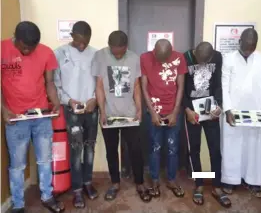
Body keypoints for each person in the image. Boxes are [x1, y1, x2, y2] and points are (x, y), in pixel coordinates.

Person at [1, 21, 65, 213]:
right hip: (15, 118)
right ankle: (18, 204)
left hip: (41, 116)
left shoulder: (46, 52)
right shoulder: (2, 49)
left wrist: (55, 102)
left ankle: (47, 196)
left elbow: (50, 82)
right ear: (16, 38)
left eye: (32, 47)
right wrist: (3, 109)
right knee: (17, 165)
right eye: (24, 47)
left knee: (45, 160)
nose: (28, 50)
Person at [91, 30, 152, 203]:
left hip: (129, 113)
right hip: (109, 114)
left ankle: (140, 183)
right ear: (109, 46)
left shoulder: (133, 58)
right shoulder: (100, 56)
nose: (117, 56)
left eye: (121, 52)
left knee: (135, 149)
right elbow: (99, 86)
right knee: (111, 150)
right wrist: (102, 111)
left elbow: (136, 85)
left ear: (126, 47)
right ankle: (115, 183)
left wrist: (139, 109)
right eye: (114, 52)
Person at [221, 28, 261, 198]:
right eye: (246, 45)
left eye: (253, 45)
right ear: (239, 42)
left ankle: (253, 181)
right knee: (231, 147)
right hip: (233, 112)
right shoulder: (228, 59)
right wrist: (227, 109)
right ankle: (230, 180)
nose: (249, 49)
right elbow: (224, 86)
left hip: (256, 112)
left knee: (254, 147)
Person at [54, 21, 98, 208]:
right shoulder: (59, 53)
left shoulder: (95, 54)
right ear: (72, 36)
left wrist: (94, 98)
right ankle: (77, 190)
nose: (82, 45)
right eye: (79, 41)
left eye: (86, 42)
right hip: (72, 110)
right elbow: (56, 84)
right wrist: (68, 100)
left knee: (89, 149)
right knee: (76, 150)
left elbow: (99, 81)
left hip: (91, 110)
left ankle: (88, 182)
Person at [183, 42, 231, 207]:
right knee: (194, 150)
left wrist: (219, 106)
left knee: (215, 150)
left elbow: (219, 84)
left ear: (210, 57)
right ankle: (199, 184)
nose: (203, 64)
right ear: (195, 53)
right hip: (193, 112)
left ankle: (217, 186)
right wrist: (187, 109)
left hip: (211, 111)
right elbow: (180, 87)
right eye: (200, 61)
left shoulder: (217, 57)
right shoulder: (185, 58)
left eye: (206, 61)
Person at [141, 39, 187, 198]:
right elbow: (144, 87)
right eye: (158, 57)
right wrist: (152, 112)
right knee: (155, 147)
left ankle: (172, 179)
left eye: (164, 58)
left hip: (173, 112)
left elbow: (181, 86)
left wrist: (175, 112)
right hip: (154, 112)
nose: (161, 61)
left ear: (171, 52)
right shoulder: (145, 58)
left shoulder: (179, 57)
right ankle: (154, 180)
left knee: (173, 148)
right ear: (153, 50)